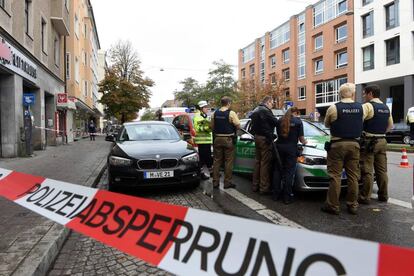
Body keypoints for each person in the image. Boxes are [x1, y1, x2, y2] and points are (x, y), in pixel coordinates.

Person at [321, 83, 364, 215]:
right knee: (353, 176)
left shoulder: (334, 108)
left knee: (335, 176)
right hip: (355, 144)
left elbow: (327, 124)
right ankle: (352, 205)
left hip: (337, 144)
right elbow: (360, 121)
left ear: (340, 94)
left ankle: (333, 205)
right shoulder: (360, 107)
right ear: (352, 94)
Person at [359, 85, 393, 204]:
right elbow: (390, 126)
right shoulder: (385, 108)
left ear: (371, 94)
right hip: (382, 140)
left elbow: (358, 122)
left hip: (369, 141)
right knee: (382, 170)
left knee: (367, 170)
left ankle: (365, 197)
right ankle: (383, 195)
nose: (364, 96)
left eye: (365, 94)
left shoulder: (367, 106)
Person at [273, 107, 307, 204]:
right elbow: (301, 139)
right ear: (295, 112)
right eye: (298, 114)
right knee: (289, 173)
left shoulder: (279, 120)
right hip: (291, 150)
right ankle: (286, 197)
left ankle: (275, 195)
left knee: (277, 171)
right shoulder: (298, 122)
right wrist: (305, 142)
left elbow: (278, 134)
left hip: (279, 148)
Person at [250, 96, 279, 194]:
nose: (272, 105)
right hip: (265, 139)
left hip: (257, 137)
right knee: (265, 163)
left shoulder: (256, 110)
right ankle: (264, 188)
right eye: (272, 103)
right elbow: (276, 122)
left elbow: (252, 126)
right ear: (268, 102)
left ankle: (255, 186)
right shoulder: (265, 111)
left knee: (257, 162)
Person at [211, 96, 241, 189]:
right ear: (228, 103)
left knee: (216, 161)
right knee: (228, 162)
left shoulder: (214, 113)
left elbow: (211, 126)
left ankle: (215, 182)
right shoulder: (231, 113)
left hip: (217, 139)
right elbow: (238, 126)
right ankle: (227, 182)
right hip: (228, 139)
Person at [193, 100, 213, 180]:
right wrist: (208, 128)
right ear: (201, 108)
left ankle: (212, 173)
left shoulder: (204, 115)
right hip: (202, 141)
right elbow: (197, 128)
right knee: (203, 158)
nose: (207, 109)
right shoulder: (198, 116)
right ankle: (201, 173)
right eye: (205, 107)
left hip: (206, 140)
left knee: (208, 157)